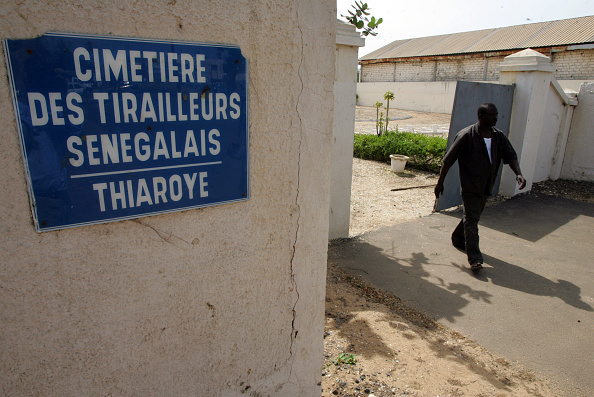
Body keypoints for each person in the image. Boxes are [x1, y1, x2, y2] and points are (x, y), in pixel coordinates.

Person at [434, 103, 526, 270]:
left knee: (472, 217)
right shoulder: (466, 136)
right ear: (482, 117)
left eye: (496, 114)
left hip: (486, 185)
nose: (496, 118)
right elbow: (448, 160)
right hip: (470, 185)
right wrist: (440, 183)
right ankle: (475, 258)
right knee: (472, 219)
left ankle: (457, 237)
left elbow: (510, 155)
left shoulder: (498, 136)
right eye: (492, 115)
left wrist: (518, 173)